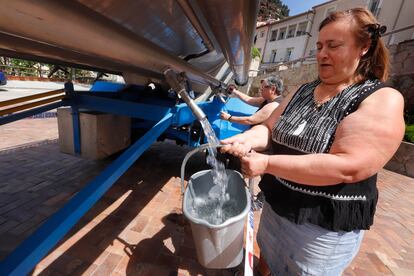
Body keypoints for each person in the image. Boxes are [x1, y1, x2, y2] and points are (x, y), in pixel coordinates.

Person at [221, 8, 405, 275]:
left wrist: (268, 163)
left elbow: (349, 166)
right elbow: (269, 129)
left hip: (320, 229)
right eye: (319, 46)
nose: (322, 54)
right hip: (277, 205)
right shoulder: (301, 91)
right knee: (268, 259)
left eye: (333, 45)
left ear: (363, 48)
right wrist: (247, 138)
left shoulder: (380, 99)